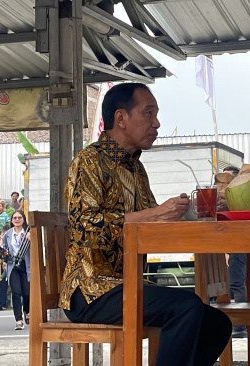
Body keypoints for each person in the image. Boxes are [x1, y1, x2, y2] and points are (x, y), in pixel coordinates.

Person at [60, 82, 231, 366]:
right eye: (148, 113)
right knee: (186, 309)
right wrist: (152, 215)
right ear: (121, 118)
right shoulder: (89, 161)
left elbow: (150, 223)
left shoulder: (135, 168)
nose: (157, 123)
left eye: (156, 114)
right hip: (91, 289)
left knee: (217, 324)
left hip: (127, 284)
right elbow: (84, 228)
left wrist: (179, 213)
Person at [221, 165, 248, 338]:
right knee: (223, 287)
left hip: (240, 244)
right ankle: (231, 325)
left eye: (228, 179)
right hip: (227, 245)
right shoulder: (223, 199)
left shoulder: (239, 197)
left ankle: (239, 326)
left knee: (236, 284)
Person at [1, 210, 31, 330]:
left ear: (23, 219)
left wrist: (32, 239)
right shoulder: (7, 234)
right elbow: (3, 251)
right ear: (12, 220)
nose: (17, 220)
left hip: (25, 265)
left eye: (19, 217)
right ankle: (18, 320)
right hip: (13, 266)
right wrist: (4, 252)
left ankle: (27, 311)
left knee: (27, 293)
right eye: (15, 218)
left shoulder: (29, 233)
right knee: (16, 293)